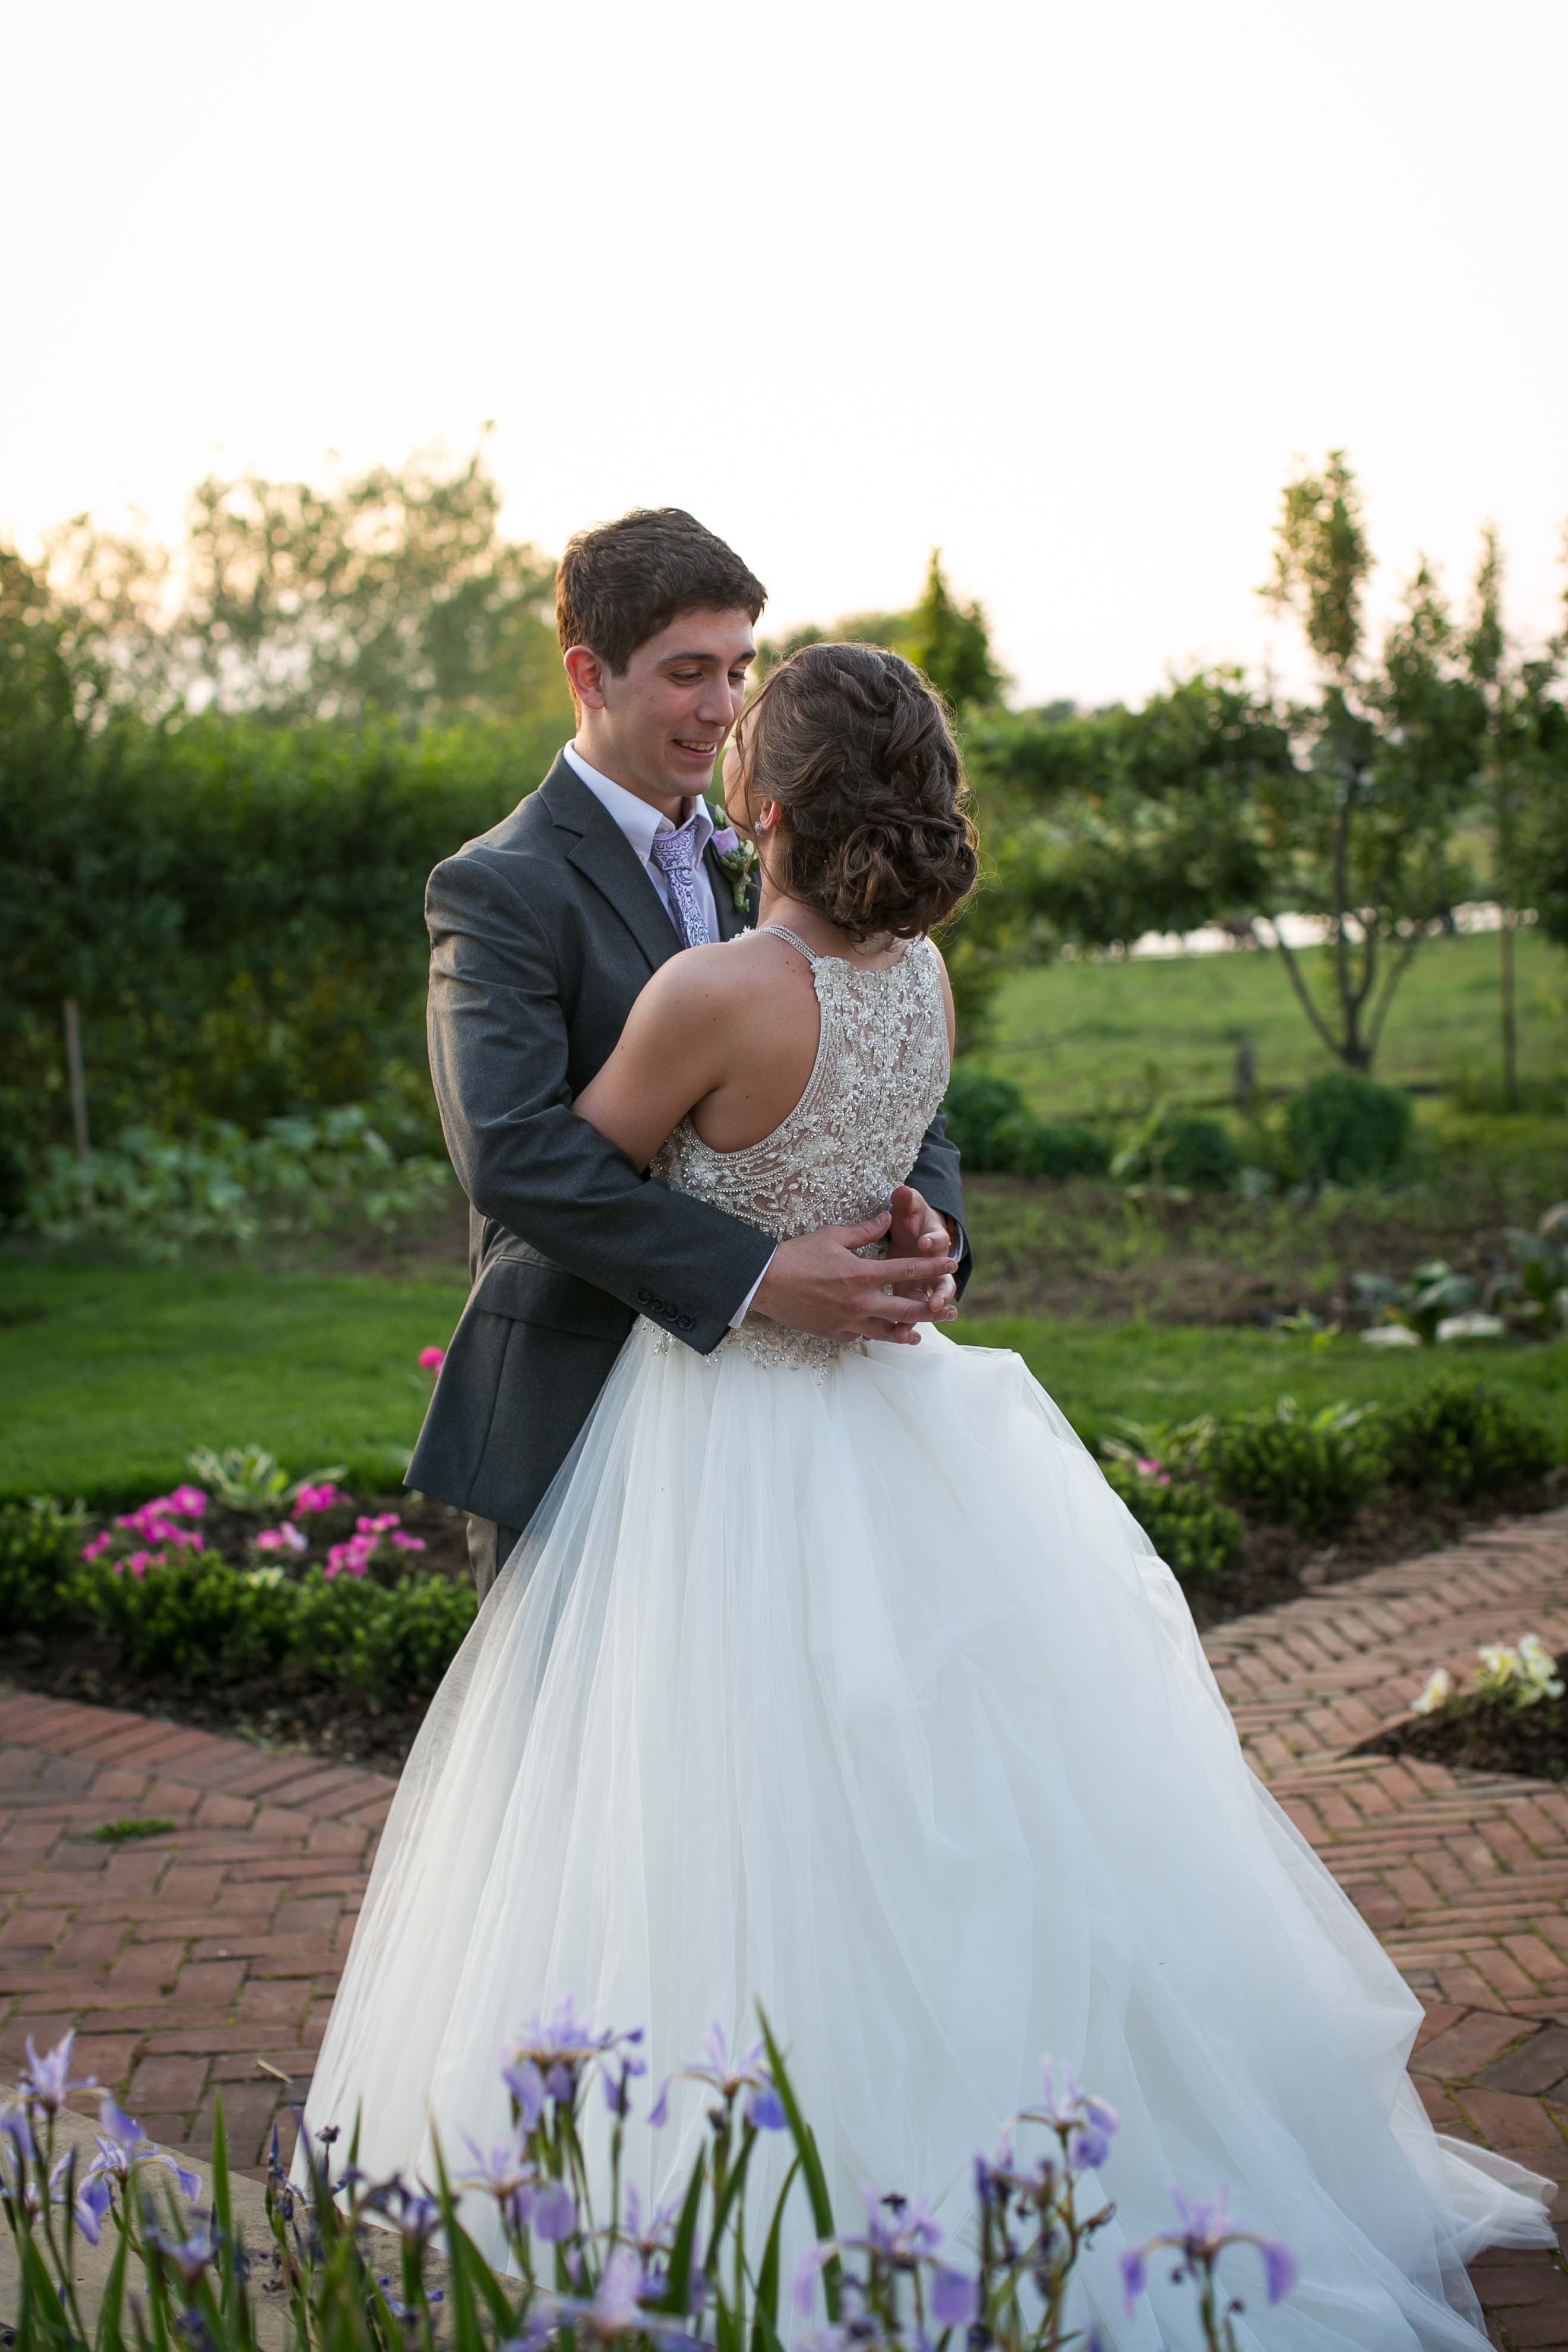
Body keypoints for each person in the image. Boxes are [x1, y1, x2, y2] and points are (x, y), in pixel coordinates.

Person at [301, 640, 1556, 2349]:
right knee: (926, 1798)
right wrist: (897, 1229)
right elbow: (883, 1147)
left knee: (707, 1798)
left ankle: (741, 2179)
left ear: (762, 803)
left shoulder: (713, 994)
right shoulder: (925, 982)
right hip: (897, 1422)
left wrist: (751, 1235)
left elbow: (556, 1171)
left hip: (721, 1441)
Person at [405, 507, 968, 1599]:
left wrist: (928, 1231)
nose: (722, 708)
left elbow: (899, 1086)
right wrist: (755, 1277)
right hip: (574, 1402)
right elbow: (513, 1155)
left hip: (807, 1423)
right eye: (687, 673)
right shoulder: (498, 886)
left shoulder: (783, 848)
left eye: (739, 670)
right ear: (590, 674)